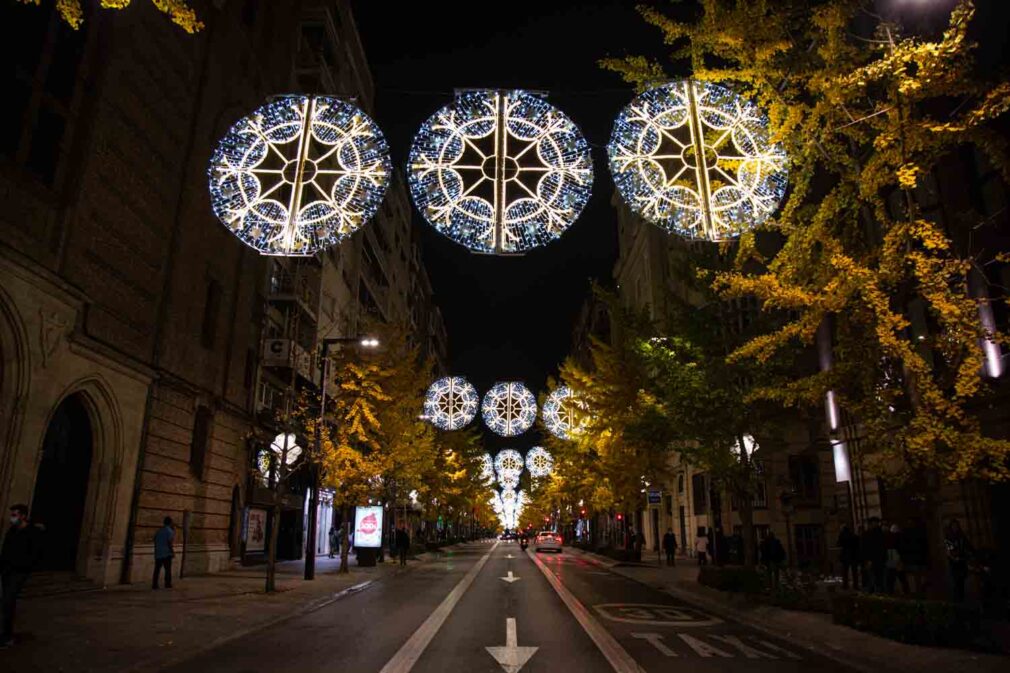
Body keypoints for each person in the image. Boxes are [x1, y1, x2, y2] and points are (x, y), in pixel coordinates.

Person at [1, 504, 40, 647]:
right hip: (7, 570)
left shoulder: (32, 532)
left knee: (8, 600)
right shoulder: (11, 531)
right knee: (6, 602)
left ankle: (6, 635)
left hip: (20, 571)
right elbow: (5, 550)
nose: (12, 518)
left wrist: (26, 566)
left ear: (23, 515)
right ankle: (6, 633)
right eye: (12, 515)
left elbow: (35, 553)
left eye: (14, 515)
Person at [944, 518, 973, 602]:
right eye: (953, 526)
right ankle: (957, 599)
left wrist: (970, 554)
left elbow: (968, 545)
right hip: (954, 562)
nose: (955, 528)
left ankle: (961, 597)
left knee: (962, 579)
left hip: (962, 560)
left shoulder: (962, 536)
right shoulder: (949, 538)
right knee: (956, 580)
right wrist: (954, 557)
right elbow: (949, 550)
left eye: (956, 526)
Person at [861, 517, 887, 593]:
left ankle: (875, 591)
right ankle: (877, 591)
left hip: (875, 559)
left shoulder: (869, 534)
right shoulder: (879, 534)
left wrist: (867, 560)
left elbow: (865, 548)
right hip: (877, 559)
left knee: (875, 578)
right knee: (876, 578)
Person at [885, 524, 910, 594]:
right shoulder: (900, 537)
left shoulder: (890, 538)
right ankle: (905, 590)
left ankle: (891, 591)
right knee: (901, 576)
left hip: (892, 557)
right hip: (895, 557)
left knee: (892, 576)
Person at [152, 516, 175, 590]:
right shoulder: (170, 531)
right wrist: (172, 551)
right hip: (166, 553)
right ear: (170, 523)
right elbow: (169, 542)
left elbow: (155, 539)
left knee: (157, 569)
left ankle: (154, 584)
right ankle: (167, 583)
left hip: (158, 552)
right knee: (168, 569)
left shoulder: (159, 531)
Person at [837, 525, 861, 590]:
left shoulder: (842, 536)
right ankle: (855, 585)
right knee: (854, 572)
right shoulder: (854, 536)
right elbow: (858, 545)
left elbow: (838, 544)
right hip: (853, 555)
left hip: (845, 555)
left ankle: (845, 585)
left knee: (845, 572)